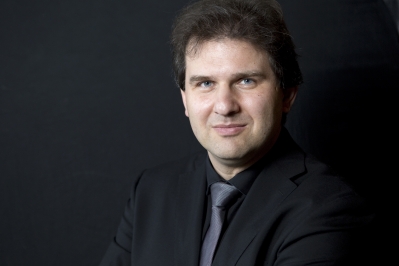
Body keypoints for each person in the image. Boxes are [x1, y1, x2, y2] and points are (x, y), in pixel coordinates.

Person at [99, 0, 375, 265]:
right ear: (185, 99)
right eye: (205, 83)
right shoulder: (151, 191)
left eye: (246, 81)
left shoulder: (328, 208)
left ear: (287, 96)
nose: (224, 106)